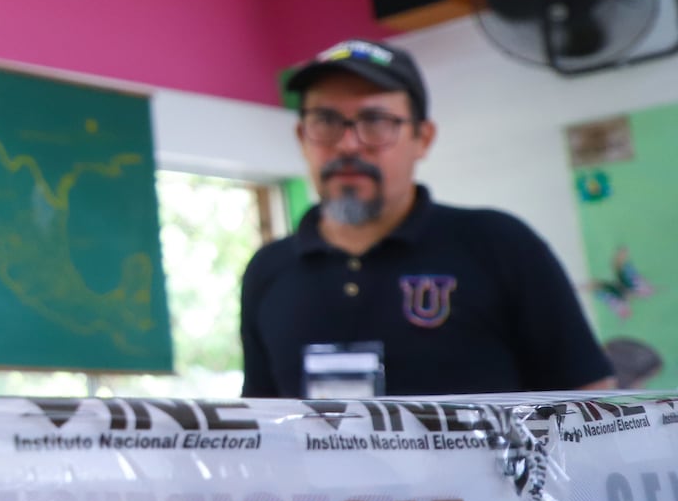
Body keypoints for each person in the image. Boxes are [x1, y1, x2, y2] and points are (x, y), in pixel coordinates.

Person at [240, 38, 613, 398]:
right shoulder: (268, 270)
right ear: (302, 136)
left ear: (423, 137)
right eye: (325, 121)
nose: (348, 144)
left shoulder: (499, 244)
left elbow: (589, 397)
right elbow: (263, 418)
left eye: (376, 121)